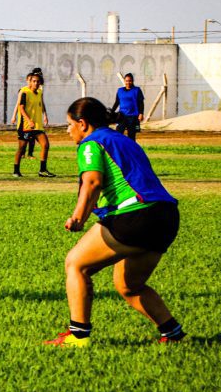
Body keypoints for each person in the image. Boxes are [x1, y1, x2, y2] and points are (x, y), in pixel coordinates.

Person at [46, 97, 184, 347]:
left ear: (82, 123)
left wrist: (79, 217)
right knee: (129, 285)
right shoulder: (123, 139)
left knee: (76, 264)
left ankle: (78, 335)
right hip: (166, 216)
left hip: (136, 215)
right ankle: (171, 332)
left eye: (69, 124)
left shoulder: (91, 143)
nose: (67, 131)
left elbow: (92, 182)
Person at [10, 71, 55, 177]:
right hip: (25, 126)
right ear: (29, 82)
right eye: (34, 81)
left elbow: (41, 104)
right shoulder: (25, 92)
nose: (36, 83)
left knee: (45, 145)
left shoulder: (39, 92)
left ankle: (42, 170)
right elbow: (21, 108)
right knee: (21, 149)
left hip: (37, 125)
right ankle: (16, 171)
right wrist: (28, 120)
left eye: (38, 81)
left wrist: (45, 115)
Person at [112, 73, 145, 142]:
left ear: (132, 81)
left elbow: (140, 103)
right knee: (118, 134)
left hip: (133, 116)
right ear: (124, 81)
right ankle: (119, 149)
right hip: (122, 116)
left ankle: (132, 151)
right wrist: (112, 111)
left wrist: (141, 113)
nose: (128, 82)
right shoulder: (120, 90)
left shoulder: (137, 90)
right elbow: (117, 102)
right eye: (126, 81)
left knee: (131, 136)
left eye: (130, 81)